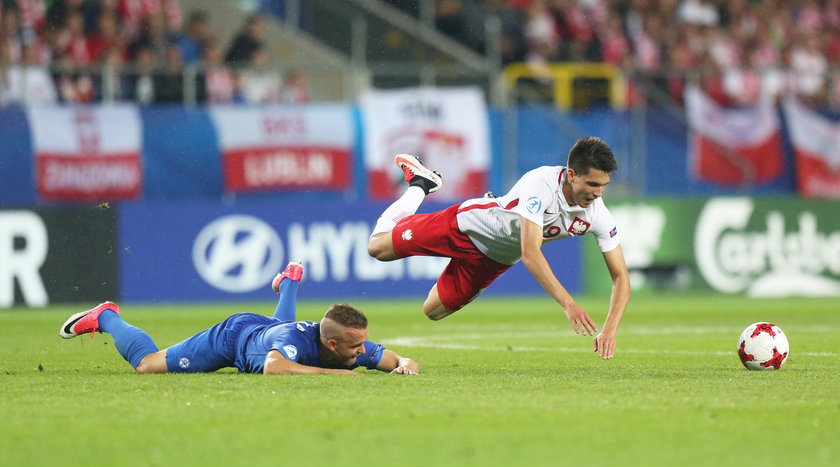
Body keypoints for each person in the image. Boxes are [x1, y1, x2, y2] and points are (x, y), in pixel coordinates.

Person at [367, 137, 631, 360]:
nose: (598, 194)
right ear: (572, 175)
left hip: (494, 260)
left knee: (432, 311)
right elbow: (530, 252)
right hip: (468, 226)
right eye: (593, 185)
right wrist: (568, 303)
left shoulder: (598, 215)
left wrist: (609, 329)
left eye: (603, 186)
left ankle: (451, 261)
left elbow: (621, 278)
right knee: (377, 247)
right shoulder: (541, 184)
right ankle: (421, 184)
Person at [59, 262, 420, 375]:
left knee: (276, 329)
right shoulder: (298, 346)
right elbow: (275, 368)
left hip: (269, 330)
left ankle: (289, 284)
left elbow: (401, 361)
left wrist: (404, 365)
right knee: (147, 365)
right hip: (235, 336)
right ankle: (106, 316)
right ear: (332, 344)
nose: (363, 352)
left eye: (363, 344)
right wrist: (340, 374)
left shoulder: (352, 345)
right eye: (357, 346)